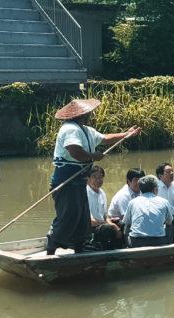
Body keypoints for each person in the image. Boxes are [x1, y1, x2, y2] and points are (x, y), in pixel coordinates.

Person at [45, 98, 139, 256]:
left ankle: (80, 246)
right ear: (83, 114)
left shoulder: (86, 130)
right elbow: (74, 150)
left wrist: (126, 134)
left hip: (79, 181)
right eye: (90, 112)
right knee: (68, 215)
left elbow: (105, 138)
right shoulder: (70, 129)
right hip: (67, 181)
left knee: (81, 217)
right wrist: (92, 156)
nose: (92, 114)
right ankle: (51, 248)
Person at [123, 175, 174, 247]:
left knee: (127, 226)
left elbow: (126, 222)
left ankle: (127, 247)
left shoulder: (132, 202)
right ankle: (168, 247)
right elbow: (169, 222)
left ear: (140, 190)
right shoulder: (164, 202)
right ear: (155, 189)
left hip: (136, 242)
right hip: (159, 241)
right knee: (170, 226)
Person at [86, 165, 122, 249]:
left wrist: (112, 223)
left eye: (101, 177)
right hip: (89, 228)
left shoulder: (102, 192)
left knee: (121, 224)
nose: (98, 180)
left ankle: (118, 250)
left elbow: (105, 217)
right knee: (108, 228)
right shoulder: (85, 193)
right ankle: (101, 249)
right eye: (94, 177)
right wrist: (112, 225)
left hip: (100, 225)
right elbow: (89, 221)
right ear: (88, 179)